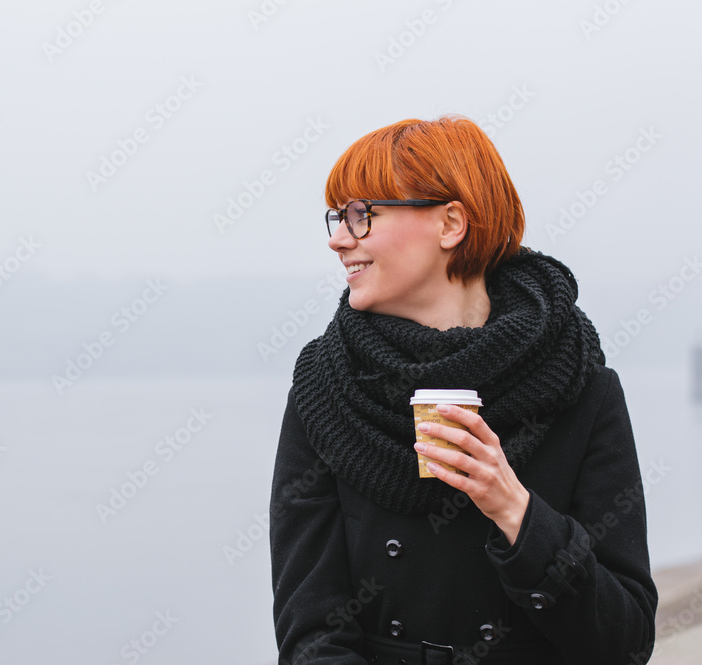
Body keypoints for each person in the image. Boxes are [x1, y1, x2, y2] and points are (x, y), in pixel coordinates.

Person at [269, 115, 658, 665]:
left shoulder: (580, 385)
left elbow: (625, 642)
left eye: (362, 215)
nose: (337, 239)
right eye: (337, 217)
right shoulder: (325, 386)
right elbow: (310, 636)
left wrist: (515, 509)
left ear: (450, 223)